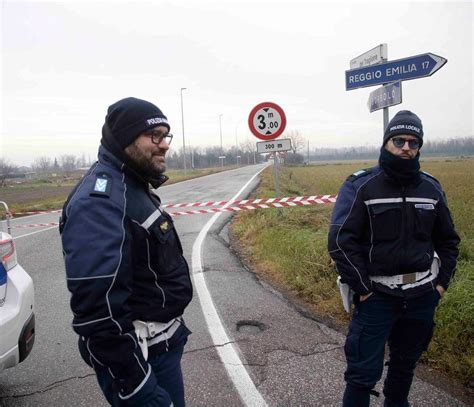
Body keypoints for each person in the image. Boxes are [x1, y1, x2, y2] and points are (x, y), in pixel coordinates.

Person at [60, 97, 193, 406]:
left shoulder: (132, 187)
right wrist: (139, 388)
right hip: (142, 362)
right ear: (125, 139)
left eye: (166, 135)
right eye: (154, 136)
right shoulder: (100, 202)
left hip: (161, 347)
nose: (164, 145)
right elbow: (98, 313)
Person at [328, 110, 460, 407]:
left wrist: (440, 287)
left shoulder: (431, 188)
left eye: (413, 143)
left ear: (419, 148)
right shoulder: (361, 185)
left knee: (404, 367)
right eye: (398, 140)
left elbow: (449, 241)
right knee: (361, 375)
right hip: (377, 297)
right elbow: (340, 241)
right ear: (387, 142)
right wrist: (363, 289)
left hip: (422, 296)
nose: (406, 147)